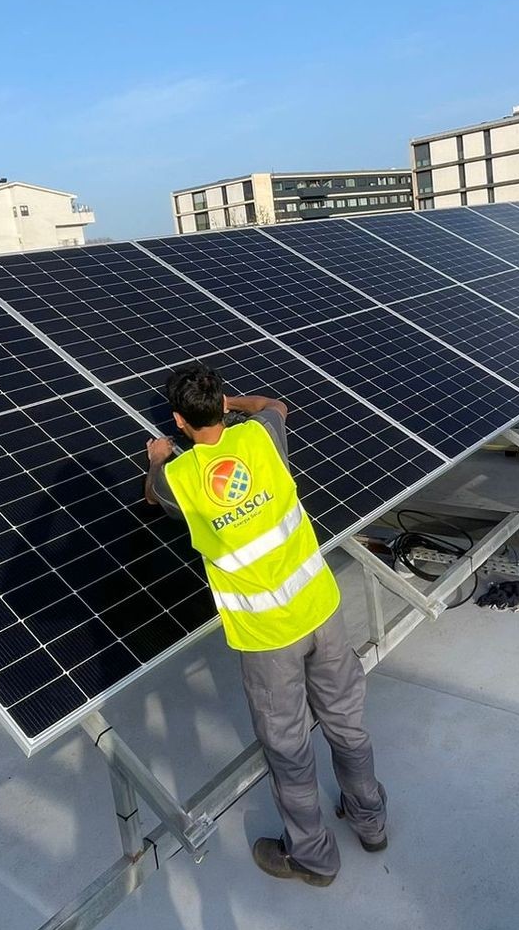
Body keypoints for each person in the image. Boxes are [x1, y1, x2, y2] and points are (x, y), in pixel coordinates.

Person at [144, 360, 387, 887]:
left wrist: (158, 456)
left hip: (267, 635)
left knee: (289, 749)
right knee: (346, 720)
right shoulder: (261, 437)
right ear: (222, 405)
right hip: (321, 607)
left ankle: (314, 859)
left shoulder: (180, 479)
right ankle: (370, 821)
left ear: (178, 421)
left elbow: (153, 497)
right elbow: (277, 405)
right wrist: (234, 406)